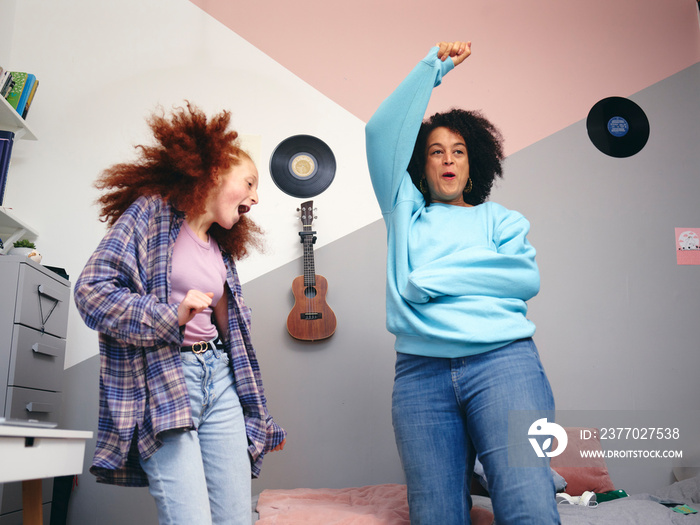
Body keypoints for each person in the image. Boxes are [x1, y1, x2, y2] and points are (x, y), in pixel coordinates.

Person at [365, 41, 560, 524]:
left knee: (528, 504)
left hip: (504, 365)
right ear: (421, 165)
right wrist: (431, 69)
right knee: (435, 515)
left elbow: (521, 276)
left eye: (459, 151)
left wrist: (425, 278)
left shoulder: (501, 220)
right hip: (419, 375)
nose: (448, 159)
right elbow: (378, 132)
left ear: (474, 164)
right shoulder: (404, 213)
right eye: (436, 151)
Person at [74, 102, 286, 525]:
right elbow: (91, 291)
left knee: (236, 519)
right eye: (249, 182)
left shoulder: (222, 249)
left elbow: (235, 341)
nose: (257, 197)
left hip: (220, 380)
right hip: (169, 379)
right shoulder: (151, 213)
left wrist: (259, 413)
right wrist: (170, 315)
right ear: (214, 172)